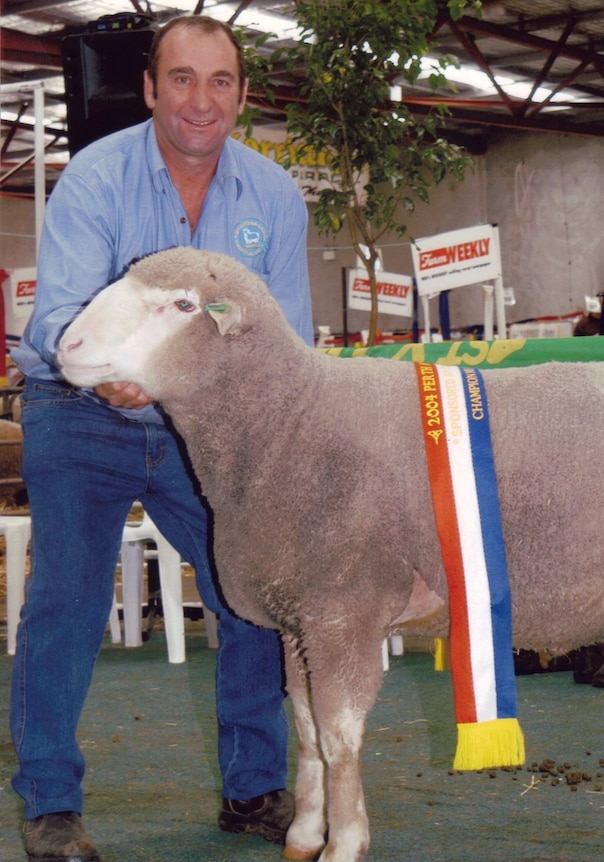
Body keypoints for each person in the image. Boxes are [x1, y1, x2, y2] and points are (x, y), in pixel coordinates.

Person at [9, 16, 313, 862]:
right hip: (78, 411)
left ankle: (255, 788)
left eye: (220, 82)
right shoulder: (96, 179)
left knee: (249, 594)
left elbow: (286, 341)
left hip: (198, 429)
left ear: (243, 96)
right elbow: (61, 314)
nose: (200, 101)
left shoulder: (274, 198)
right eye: (181, 79)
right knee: (65, 602)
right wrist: (107, 374)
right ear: (148, 89)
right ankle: (50, 803)